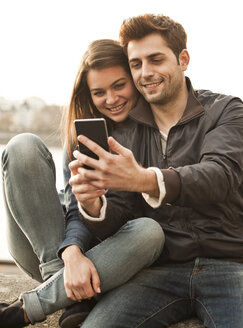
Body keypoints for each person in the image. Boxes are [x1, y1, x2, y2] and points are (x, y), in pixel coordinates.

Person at [70, 14, 243, 327]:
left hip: (233, 265)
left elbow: (219, 176)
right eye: (136, 64)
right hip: (158, 270)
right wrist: (92, 203)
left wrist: (144, 178)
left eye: (156, 59)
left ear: (183, 60)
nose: (146, 73)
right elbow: (122, 217)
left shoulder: (225, 111)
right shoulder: (127, 132)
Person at [0, 39, 165, 328]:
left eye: (119, 86)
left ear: (135, 80)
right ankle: (65, 287)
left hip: (116, 257)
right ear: (88, 94)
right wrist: (72, 254)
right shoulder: (82, 134)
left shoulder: (156, 133)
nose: (111, 99)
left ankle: (31, 306)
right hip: (54, 253)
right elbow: (75, 208)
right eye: (99, 92)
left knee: (150, 232)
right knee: (21, 146)